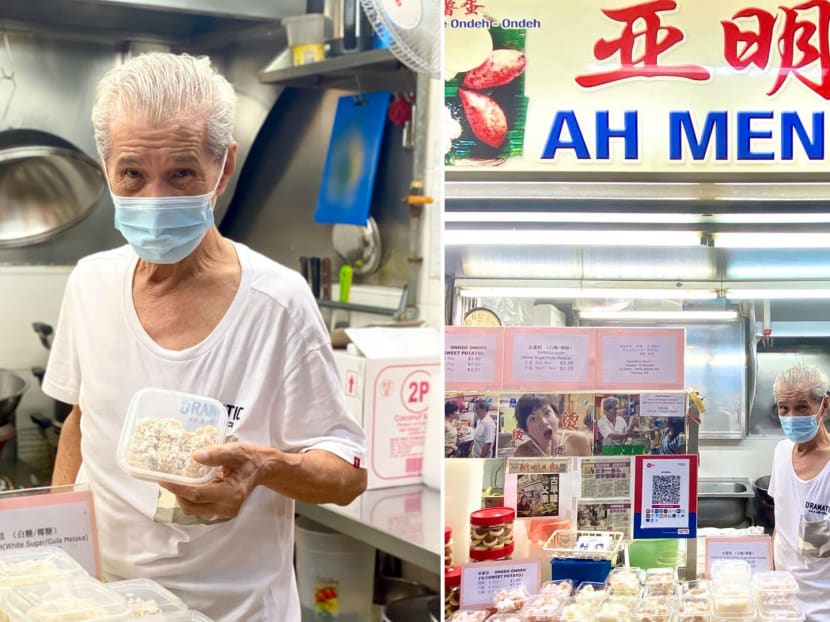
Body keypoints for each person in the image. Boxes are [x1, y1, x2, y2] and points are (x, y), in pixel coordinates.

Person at [42, 53, 367, 622]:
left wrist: (263, 467)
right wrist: (58, 559)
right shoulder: (90, 283)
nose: (154, 199)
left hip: (234, 610)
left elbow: (347, 473)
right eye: (132, 173)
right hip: (106, 605)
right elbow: (79, 420)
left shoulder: (278, 303)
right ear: (105, 169)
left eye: (183, 173)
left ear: (224, 166)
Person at [768, 365, 830, 620]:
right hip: (780, 600)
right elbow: (780, 524)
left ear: (824, 405)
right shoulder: (781, 451)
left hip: (822, 607)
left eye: (802, 407)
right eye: (784, 408)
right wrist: (769, 578)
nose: (791, 417)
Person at [513, 395, 591, 457]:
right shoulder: (522, 452)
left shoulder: (579, 441)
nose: (544, 422)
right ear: (526, 430)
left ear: (557, 416)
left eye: (547, 413)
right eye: (533, 419)